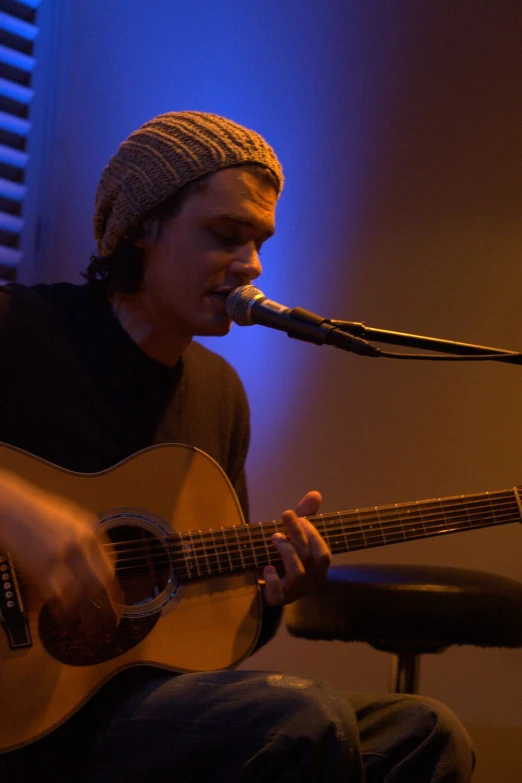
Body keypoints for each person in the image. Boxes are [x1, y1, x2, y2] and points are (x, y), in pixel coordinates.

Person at [0, 111, 474, 781]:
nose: (250, 265)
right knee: (301, 717)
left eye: (259, 242)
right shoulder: (21, 328)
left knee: (423, 729)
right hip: (27, 715)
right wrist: (13, 509)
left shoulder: (219, 394)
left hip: (136, 706)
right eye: (225, 235)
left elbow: (201, 626)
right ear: (141, 227)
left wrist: (273, 590)